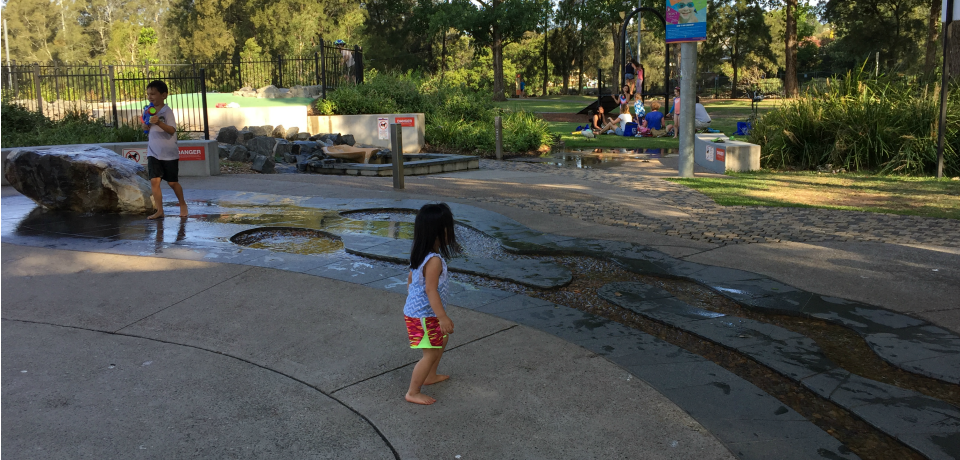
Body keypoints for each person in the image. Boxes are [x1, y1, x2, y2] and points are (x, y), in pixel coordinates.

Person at [404, 203, 461, 405]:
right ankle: (413, 391)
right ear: (439, 232)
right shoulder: (434, 260)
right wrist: (442, 316)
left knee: (442, 340)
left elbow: (412, 277)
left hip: (419, 313)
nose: (451, 232)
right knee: (429, 353)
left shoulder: (421, 253)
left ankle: (430, 375)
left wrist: (412, 295)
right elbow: (430, 289)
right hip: (423, 316)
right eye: (448, 228)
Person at [143, 80, 187, 220]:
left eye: (153, 94)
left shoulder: (167, 112)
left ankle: (182, 204)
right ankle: (160, 210)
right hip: (153, 152)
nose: (150, 97)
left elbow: (172, 130)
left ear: (164, 95)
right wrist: (146, 125)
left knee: (172, 182)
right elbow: (145, 127)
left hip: (169, 154)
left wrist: (159, 122)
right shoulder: (148, 110)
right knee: (154, 181)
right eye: (148, 94)